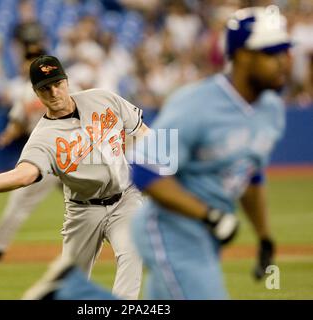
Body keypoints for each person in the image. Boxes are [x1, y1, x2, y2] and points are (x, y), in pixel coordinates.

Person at [20, 6, 292, 300]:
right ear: (242, 56)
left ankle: (71, 290)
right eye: (271, 53)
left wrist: (263, 235)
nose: (284, 62)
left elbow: (250, 174)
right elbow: (146, 168)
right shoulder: (196, 105)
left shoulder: (271, 111)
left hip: (205, 234)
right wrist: (209, 214)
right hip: (170, 229)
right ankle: (71, 289)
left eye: (284, 51)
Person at [0, 54, 148, 300]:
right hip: (83, 211)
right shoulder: (42, 138)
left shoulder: (103, 98)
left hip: (126, 199)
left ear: (67, 81)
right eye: (45, 88)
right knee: (69, 285)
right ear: (36, 93)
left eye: (57, 83)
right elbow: (23, 176)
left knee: (133, 253)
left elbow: (142, 132)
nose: (53, 92)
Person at [0, 51, 61, 259]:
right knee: (89, 201)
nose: (25, 66)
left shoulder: (61, 85)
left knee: (91, 200)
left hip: (62, 153)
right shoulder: (27, 92)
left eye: (30, 62)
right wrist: (9, 134)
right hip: (48, 155)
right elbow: (18, 121)